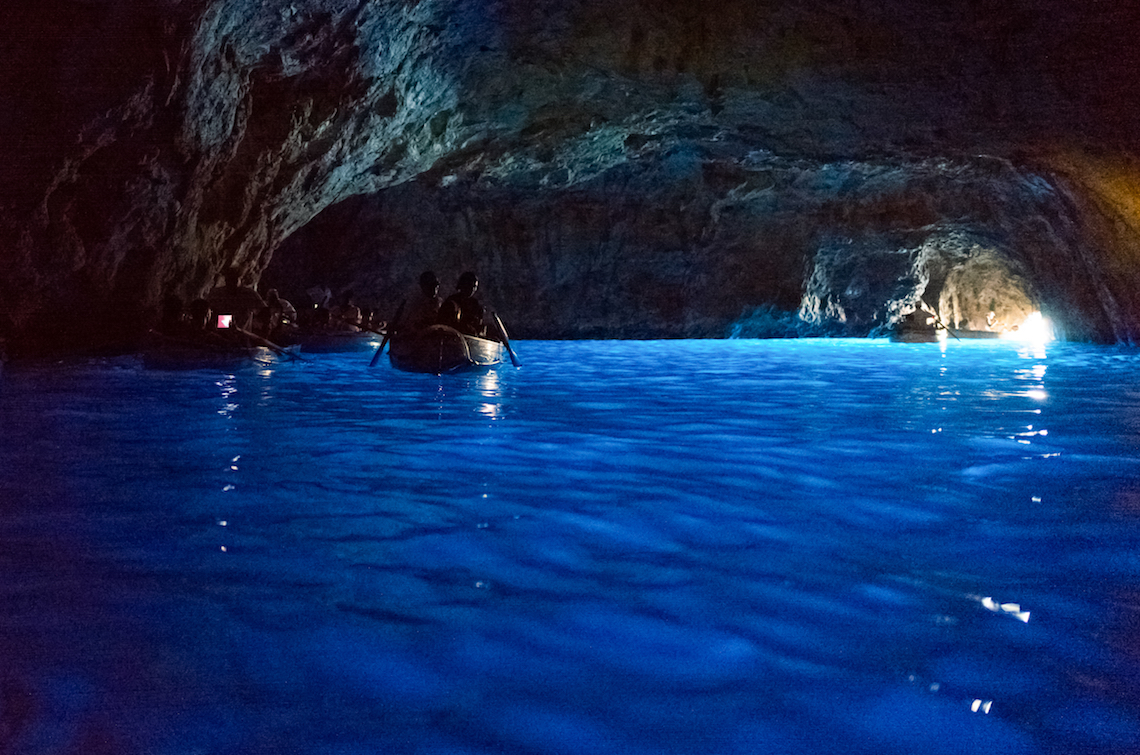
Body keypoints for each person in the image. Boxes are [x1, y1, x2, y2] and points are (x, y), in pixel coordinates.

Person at [440, 271, 486, 336]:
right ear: (462, 285)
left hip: (471, 341)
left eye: (474, 286)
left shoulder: (475, 304)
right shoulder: (451, 302)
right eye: (469, 285)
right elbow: (444, 324)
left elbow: (479, 327)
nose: (472, 289)